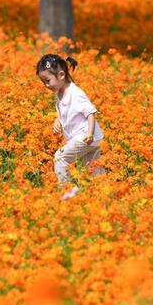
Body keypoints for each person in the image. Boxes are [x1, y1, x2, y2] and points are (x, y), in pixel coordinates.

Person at [36, 54, 104, 200]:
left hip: (86, 136)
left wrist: (90, 133)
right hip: (88, 138)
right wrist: (58, 120)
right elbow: (66, 112)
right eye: (43, 82)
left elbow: (91, 113)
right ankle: (104, 195)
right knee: (93, 170)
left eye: (47, 81)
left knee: (60, 157)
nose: (46, 85)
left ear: (61, 75)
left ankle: (66, 193)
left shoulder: (75, 93)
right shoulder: (60, 93)